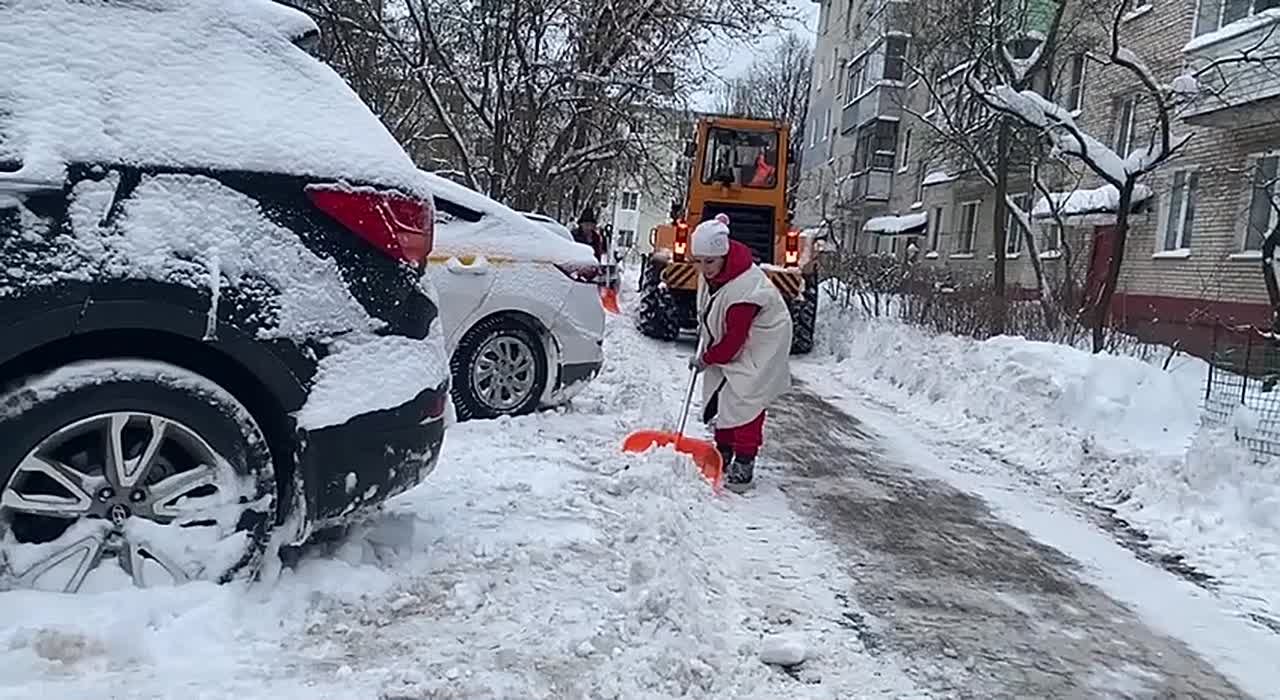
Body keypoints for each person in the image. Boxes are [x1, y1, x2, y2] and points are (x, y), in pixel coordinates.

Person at [687, 213, 793, 492]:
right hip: (738, 337)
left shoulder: (745, 291)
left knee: (746, 398)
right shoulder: (715, 274)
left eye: (709, 262)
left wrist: (706, 358)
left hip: (764, 343)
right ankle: (723, 452)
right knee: (723, 394)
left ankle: (744, 461)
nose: (703, 268)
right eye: (697, 261)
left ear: (722, 254)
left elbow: (733, 344)